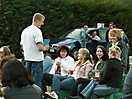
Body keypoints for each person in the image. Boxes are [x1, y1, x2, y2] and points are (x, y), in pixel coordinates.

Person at [20, 13, 49, 88]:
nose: (43, 24)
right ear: (37, 20)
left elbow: (23, 46)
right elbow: (40, 47)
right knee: (36, 83)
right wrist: (45, 48)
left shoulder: (25, 31)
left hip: (27, 59)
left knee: (28, 81)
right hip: (37, 60)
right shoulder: (37, 31)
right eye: (42, 21)